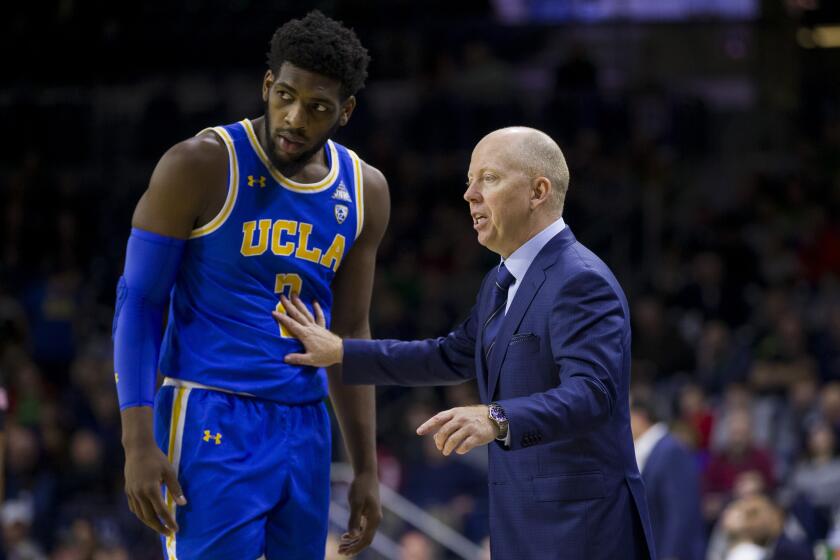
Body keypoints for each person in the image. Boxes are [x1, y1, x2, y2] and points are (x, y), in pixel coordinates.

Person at [276, 126, 656, 559]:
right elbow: (449, 355)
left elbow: (594, 392)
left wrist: (495, 417)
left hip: (582, 530)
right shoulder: (499, 280)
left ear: (538, 191)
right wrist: (343, 352)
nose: (470, 194)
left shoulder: (581, 279)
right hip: (523, 526)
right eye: (468, 181)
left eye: (489, 179)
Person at [112, 11, 388, 559]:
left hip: (307, 426)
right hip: (211, 413)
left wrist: (366, 468)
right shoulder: (200, 164)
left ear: (345, 112)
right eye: (285, 95)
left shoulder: (364, 190)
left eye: (317, 108)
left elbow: (350, 331)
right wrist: (137, 440)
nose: (294, 118)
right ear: (267, 85)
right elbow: (138, 305)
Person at [630, 394, 705, 560]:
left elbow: (680, 509)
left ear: (639, 416)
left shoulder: (671, 450)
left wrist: (672, 554)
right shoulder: (650, 450)